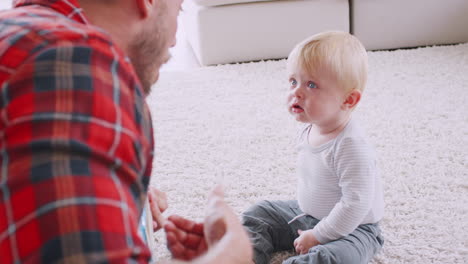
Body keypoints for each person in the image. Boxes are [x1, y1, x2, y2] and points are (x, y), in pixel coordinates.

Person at [0, 0, 252, 263]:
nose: (175, 41)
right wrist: (233, 254)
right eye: (179, 10)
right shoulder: (70, 58)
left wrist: (108, 182)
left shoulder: (17, 37)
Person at [242, 31, 385, 264]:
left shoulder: (351, 146)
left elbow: (355, 204)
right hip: (306, 215)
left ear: (348, 100)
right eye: (293, 81)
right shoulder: (312, 126)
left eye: (311, 85)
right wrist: (312, 229)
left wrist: (319, 235)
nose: (296, 92)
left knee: (334, 257)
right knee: (258, 215)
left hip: (355, 229)